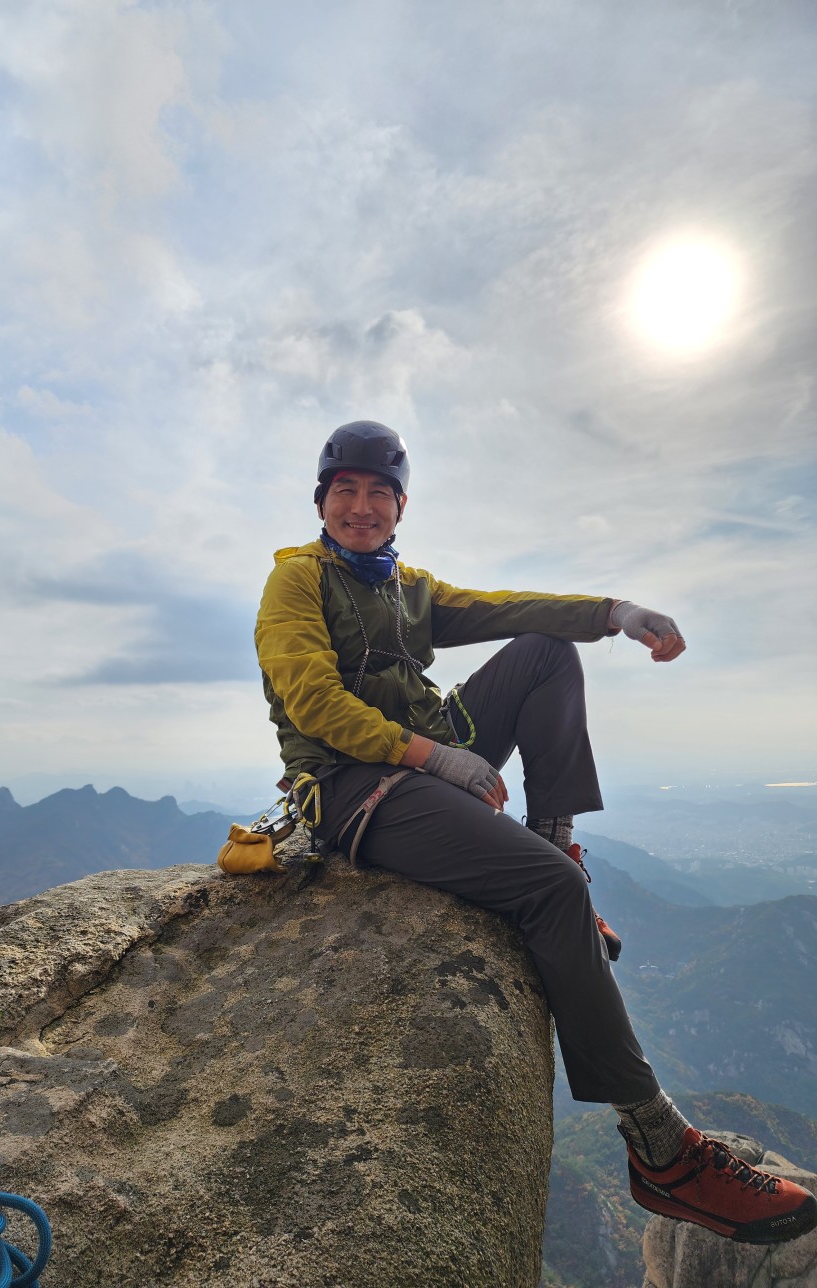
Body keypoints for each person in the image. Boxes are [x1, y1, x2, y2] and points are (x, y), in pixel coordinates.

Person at [254, 419, 817, 1245]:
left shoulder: (405, 586)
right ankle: (661, 1151)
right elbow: (313, 701)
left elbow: (511, 609)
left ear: (401, 505)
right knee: (551, 894)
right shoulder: (297, 583)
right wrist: (431, 757)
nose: (362, 507)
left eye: (380, 493)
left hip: (425, 757)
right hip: (355, 784)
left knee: (548, 650)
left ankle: (554, 841)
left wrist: (615, 611)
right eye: (346, 491)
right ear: (322, 501)